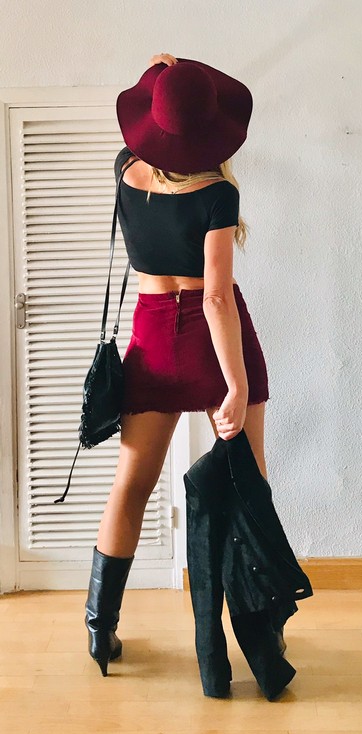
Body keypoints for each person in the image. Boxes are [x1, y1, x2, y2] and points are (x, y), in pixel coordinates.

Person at [84, 53, 273, 684]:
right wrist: (237, 383)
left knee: (130, 487)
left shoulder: (125, 168)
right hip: (213, 342)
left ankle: (99, 626)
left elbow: (147, 113)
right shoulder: (218, 194)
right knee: (250, 487)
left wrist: (157, 73)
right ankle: (260, 628)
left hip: (152, 333)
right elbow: (217, 298)